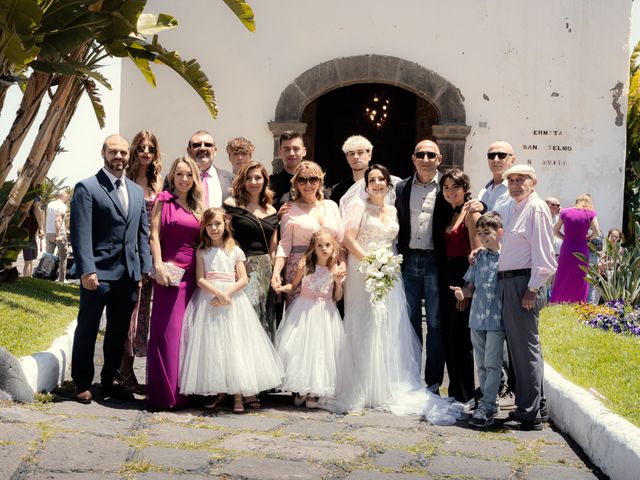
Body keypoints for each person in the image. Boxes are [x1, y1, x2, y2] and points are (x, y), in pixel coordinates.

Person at [323, 165, 464, 424]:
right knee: (364, 321)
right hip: (363, 268)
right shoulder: (358, 207)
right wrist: (371, 262)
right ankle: (360, 383)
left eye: (381, 179)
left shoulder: (392, 208)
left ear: (389, 184)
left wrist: (385, 265)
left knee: (387, 323)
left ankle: (384, 383)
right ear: (365, 185)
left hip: (388, 270)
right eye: (372, 180)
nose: (377, 183)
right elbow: (349, 239)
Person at [69, 134, 152, 404]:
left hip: (128, 275)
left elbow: (142, 234)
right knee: (88, 329)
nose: (119, 157)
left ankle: (109, 380)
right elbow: (81, 233)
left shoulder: (136, 191)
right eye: (113, 152)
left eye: (123, 153)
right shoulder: (88, 187)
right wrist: (86, 270)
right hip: (98, 274)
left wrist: (143, 269)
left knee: (117, 332)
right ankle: (82, 382)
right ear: (103, 153)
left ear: (129, 156)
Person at [179, 208, 283, 414]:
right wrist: (218, 294)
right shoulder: (201, 251)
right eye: (209, 225)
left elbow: (243, 278)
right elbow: (200, 279)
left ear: (225, 225)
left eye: (217, 224)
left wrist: (228, 294)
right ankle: (219, 391)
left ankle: (237, 394)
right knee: (215, 345)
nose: (214, 228)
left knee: (235, 344)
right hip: (210, 300)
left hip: (234, 301)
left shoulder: (235, 249)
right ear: (204, 228)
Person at [498, 164, 556, 431]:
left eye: (522, 180)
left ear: (534, 182)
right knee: (522, 349)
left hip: (524, 284)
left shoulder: (536, 208)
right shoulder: (515, 207)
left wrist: (532, 289)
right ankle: (536, 406)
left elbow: (544, 255)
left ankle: (528, 413)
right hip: (512, 282)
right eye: (511, 180)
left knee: (525, 350)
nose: (516, 184)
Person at [146, 156, 203, 410]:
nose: (184, 179)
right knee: (168, 332)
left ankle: (186, 391)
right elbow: (154, 234)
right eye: (179, 174)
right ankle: (166, 394)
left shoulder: (198, 206)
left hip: (193, 276)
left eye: (188, 174)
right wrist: (158, 265)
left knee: (188, 333)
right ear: (172, 176)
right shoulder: (163, 200)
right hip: (168, 275)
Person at [275, 229, 346, 409]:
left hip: (325, 313)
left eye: (327, 245)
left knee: (321, 351)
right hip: (304, 311)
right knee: (302, 349)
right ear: (313, 248)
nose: (324, 248)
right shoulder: (305, 264)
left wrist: (338, 281)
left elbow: (337, 297)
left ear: (333, 247)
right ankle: (301, 388)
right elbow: (293, 285)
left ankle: (315, 390)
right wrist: (283, 288)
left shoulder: (335, 268)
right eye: (320, 245)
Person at [395, 140, 445, 392]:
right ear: (413, 158)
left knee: (435, 323)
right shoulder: (401, 187)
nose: (425, 158)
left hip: (435, 261)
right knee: (409, 321)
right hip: (409, 260)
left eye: (430, 154)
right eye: (420, 154)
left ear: (439, 158)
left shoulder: (447, 186)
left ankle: (433, 382)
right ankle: (410, 378)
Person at [118, 130, 164, 393]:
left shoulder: (160, 183)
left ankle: (131, 372)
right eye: (141, 148)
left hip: (152, 256)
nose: (146, 152)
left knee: (143, 314)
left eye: (151, 148)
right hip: (129, 256)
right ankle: (124, 372)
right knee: (129, 314)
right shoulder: (124, 180)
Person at [450, 212, 504, 428]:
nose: (482, 237)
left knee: (492, 363)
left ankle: (488, 404)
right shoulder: (478, 258)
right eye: (479, 233)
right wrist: (462, 294)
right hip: (477, 319)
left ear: (499, 233)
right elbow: (471, 288)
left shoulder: (507, 258)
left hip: (497, 319)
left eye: (487, 233)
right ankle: (491, 400)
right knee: (481, 364)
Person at [433, 169, 482, 404]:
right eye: (446, 188)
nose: (450, 192)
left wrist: (468, 286)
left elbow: (476, 251)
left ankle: (465, 393)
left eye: (455, 187)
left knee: (461, 338)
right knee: (449, 336)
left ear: (465, 189)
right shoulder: (451, 212)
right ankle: (454, 391)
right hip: (446, 276)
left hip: (462, 276)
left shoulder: (472, 214)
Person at [271, 161, 343, 306]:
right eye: (302, 180)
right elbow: (284, 245)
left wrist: (342, 266)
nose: (308, 184)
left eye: (313, 179)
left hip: (327, 268)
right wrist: (276, 272)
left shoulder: (332, 206)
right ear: (296, 183)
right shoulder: (289, 209)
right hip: (300, 269)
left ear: (320, 181)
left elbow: (340, 242)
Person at [224, 162, 279, 341]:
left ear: (265, 180)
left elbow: (273, 247)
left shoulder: (272, 210)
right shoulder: (232, 204)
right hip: (242, 266)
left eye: (258, 177)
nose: (253, 182)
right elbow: (226, 237)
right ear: (242, 181)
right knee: (245, 317)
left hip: (265, 269)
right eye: (248, 178)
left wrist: (274, 275)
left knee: (265, 316)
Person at [550, 193, 600, 304]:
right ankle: (578, 302)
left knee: (563, 275)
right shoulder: (590, 213)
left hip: (567, 247)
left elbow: (554, 230)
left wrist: (565, 238)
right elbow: (596, 232)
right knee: (580, 276)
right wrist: (587, 238)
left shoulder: (565, 212)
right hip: (581, 247)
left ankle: (558, 301)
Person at [187, 130, 234, 208]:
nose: (202, 148)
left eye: (208, 145)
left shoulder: (231, 179)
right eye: (197, 145)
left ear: (215, 151)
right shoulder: (175, 179)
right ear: (189, 151)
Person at [477, 141, 515, 225]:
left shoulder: (516, 192)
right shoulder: (483, 192)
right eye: (491, 155)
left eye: (502, 155)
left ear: (512, 160)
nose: (496, 160)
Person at [269, 131, 306, 211]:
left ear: (304, 151)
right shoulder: (270, 183)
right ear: (280, 153)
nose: (291, 153)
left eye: (296, 149)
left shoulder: (315, 181)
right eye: (287, 149)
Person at [330, 135, 373, 204]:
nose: (356, 157)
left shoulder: (382, 184)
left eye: (360, 152)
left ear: (369, 155)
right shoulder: (338, 190)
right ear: (347, 159)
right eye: (352, 153)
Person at [45, 190, 69, 283]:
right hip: (59, 233)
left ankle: (45, 276)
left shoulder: (50, 204)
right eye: (67, 196)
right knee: (63, 257)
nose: (67, 198)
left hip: (49, 232)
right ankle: (62, 280)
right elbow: (58, 220)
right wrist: (58, 234)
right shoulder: (63, 206)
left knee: (49, 255)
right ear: (63, 196)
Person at [20, 196, 44, 277]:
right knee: (28, 260)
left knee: (9, 257)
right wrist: (41, 228)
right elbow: (36, 210)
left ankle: (7, 277)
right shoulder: (34, 194)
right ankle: (26, 280)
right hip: (28, 230)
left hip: (13, 226)